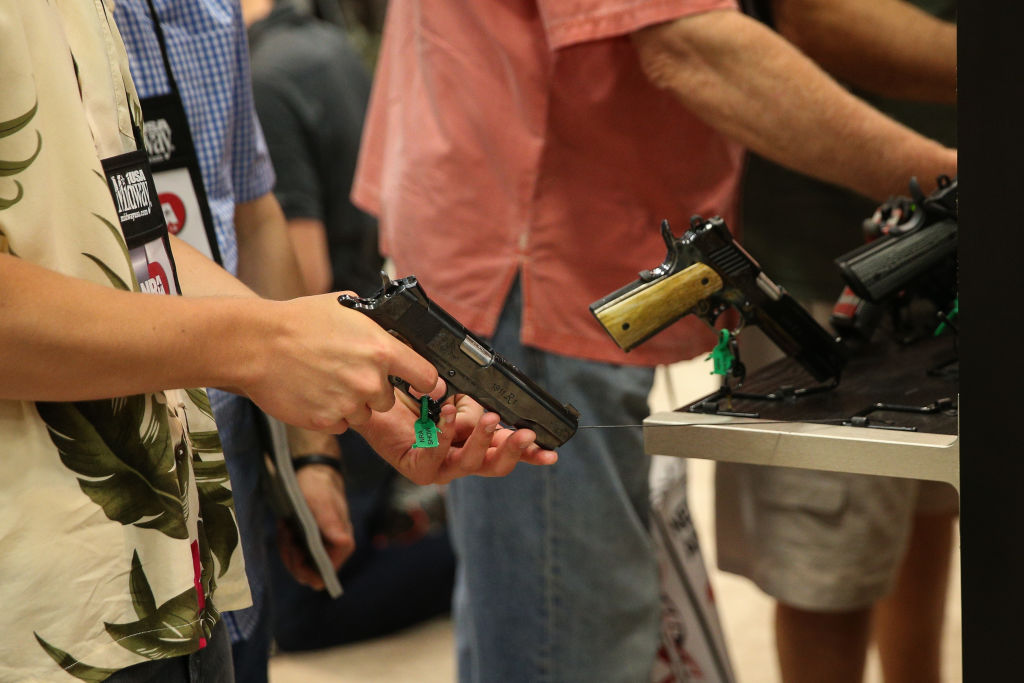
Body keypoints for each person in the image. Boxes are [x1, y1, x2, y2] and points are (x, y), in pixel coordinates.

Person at [351, 1, 956, 681]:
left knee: (536, 617)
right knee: (571, 641)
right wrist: (956, 177)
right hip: (539, 253)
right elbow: (689, 45)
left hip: (538, 237)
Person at [0, 1, 556, 680]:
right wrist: (262, 345)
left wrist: (340, 375)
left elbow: (121, 243)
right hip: (37, 603)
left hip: (170, 560)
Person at [716, 2, 959, 682]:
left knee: (927, 506)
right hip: (824, 273)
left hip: (947, 271)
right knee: (830, 570)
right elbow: (819, 15)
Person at [243, 0, 457, 648]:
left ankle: (465, 544)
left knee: (299, 607)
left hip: (346, 392)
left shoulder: (264, 81)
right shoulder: (331, 48)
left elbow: (302, 283)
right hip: (383, 344)